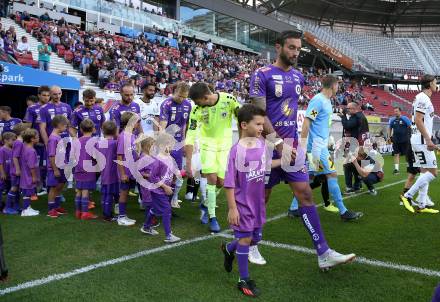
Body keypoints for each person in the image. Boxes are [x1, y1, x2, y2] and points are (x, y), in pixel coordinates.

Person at [250, 30, 356, 269]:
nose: (295, 53)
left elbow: (289, 113)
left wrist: (295, 143)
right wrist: (277, 142)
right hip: (267, 147)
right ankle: (252, 243)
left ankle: (323, 252)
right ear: (278, 47)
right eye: (291, 48)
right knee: (262, 199)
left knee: (305, 194)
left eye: (298, 49)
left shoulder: (298, 77)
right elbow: (259, 113)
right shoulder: (262, 74)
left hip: (292, 148)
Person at [222, 104, 280, 297]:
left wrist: (284, 160)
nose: (262, 128)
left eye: (262, 124)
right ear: (244, 125)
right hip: (242, 204)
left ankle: (230, 249)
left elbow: (265, 165)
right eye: (258, 124)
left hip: (258, 202)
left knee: (255, 237)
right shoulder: (236, 151)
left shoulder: (261, 144)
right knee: (246, 239)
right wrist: (232, 208)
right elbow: (229, 183)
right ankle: (244, 279)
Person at [292, 75, 362, 220]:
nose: (339, 87)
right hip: (316, 146)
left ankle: (293, 208)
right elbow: (306, 123)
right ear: (333, 85)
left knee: (313, 179)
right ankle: (343, 211)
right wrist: (303, 146)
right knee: (332, 174)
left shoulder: (326, 101)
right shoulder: (318, 100)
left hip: (320, 145)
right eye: (338, 84)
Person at [185, 82, 240, 233]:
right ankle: (212, 217)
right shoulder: (196, 109)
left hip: (225, 147)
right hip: (207, 146)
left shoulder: (229, 100)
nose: (196, 104)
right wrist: (188, 162)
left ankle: (206, 204)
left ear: (205, 97)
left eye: (197, 101)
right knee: (212, 179)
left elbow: (242, 119)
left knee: (222, 183)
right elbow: (190, 134)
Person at [400, 75, 439, 214]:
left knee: (424, 171)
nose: (437, 84)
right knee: (433, 173)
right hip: (422, 140)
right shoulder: (423, 97)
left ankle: (422, 205)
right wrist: (428, 139)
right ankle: (407, 195)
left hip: (418, 139)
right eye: (435, 82)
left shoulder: (422, 97)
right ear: (429, 84)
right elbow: (418, 119)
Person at [141, 132, 181, 243]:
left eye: (172, 145)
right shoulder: (157, 160)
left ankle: (146, 227)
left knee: (154, 209)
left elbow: (171, 171)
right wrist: (165, 187)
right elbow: (153, 177)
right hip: (158, 190)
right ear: (161, 146)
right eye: (169, 145)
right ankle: (168, 235)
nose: (171, 147)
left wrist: (180, 173)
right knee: (167, 210)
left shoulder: (169, 157)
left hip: (164, 189)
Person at [159, 82, 191, 208]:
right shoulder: (166, 104)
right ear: (173, 92)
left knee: (176, 173)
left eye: (185, 97)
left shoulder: (188, 105)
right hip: (167, 142)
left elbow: (185, 126)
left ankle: (173, 198)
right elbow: (162, 125)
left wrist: (184, 143)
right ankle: (152, 200)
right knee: (163, 172)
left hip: (178, 143)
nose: (182, 99)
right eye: (179, 96)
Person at [23, 86, 51, 196]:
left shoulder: (52, 107)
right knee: (35, 166)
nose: (46, 97)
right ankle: (34, 187)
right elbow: (28, 126)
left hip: (50, 142)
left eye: (48, 95)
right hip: (36, 143)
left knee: (48, 166)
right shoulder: (32, 108)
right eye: (44, 95)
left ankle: (47, 187)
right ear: (39, 95)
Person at [339, 102, 369, 194]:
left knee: (347, 166)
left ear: (354, 108)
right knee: (356, 166)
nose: (347, 110)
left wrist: (343, 116)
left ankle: (350, 188)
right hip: (358, 145)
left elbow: (347, 125)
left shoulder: (357, 117)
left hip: (354, 145)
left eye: (348, 108)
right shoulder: (360, 116)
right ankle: (357, 185)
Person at [116, 112, 140, 226]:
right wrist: (122, 173)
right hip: (125, 171)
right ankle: (121, 217)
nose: (138, 124)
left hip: (131, 170)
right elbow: (119, 155)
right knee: (124, 193)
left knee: (126, 193)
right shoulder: (123, 136)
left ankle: (123, 215)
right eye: (137, 121)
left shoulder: (133, 135)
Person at [73, 119, 98, 220]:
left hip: (78, 168)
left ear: (81, 129)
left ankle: (78, 212)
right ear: (93, 129)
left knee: (79, 190)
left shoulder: (76, 141)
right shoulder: (94, 141)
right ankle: (85, 213)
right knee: (85, 191)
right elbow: (95, 156)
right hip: (89, 168)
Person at [46, 115, 69, 218]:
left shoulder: (58, 136)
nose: (66, 128)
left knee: (60, 185)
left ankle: (57, 206)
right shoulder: (53, 138)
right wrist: (55, 169)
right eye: (65, 126)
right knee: (53, 187)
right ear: (59, 125)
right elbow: (52, 155)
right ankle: (51, 209)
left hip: (62, 166)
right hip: (55, 168)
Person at [4, 123, 30, 215]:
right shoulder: (18, 143)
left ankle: (15, 205)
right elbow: (15, 157)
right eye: (27, 130)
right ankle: (7, 207)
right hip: (16, 170)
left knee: (18, 188)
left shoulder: (20, 142)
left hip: (19, 169)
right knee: (14, 188)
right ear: (22, 132)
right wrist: (18, 169)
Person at [97, 121, 119, 222]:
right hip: (113, 173)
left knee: (105, 193)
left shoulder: (98, 143)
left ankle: (106, 213)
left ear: (102, 130)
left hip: (103, 172)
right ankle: (108, 215)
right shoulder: (115, 143)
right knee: (111, 194)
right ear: (115, 131)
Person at [19, 129, 40, 217]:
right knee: (27, 194)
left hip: (24, 175)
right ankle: (25, 210)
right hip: (28, 177)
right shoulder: (31, 151)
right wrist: (34, 177)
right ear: (32, 139)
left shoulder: (24, 148)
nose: (39, 138)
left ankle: (27, 208)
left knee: (27, 193)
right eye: (37, 137)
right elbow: (32, 166)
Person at [388, 107, 411, 174]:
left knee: (407, 154)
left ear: (400, 112)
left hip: (405, 139)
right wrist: (389, 137)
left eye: (397, 111)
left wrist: (410, 136)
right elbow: (390, 128)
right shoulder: (392, 120)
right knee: (396, 154)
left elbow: (410, 127)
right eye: (394, 111)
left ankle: (409, 167)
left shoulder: (405, 118)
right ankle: (396, 169)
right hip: (396, 140)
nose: (395, 112)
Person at [0, 132, 16, 211]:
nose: (14, 141)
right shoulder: (2, 150)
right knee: (1, 188)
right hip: (3, 174)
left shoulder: (13, 149)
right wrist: (2, 172)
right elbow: (0, 162)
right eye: (13, 140)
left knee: (11, 188)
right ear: (6, 140)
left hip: (11, 174)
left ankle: (11, 203)